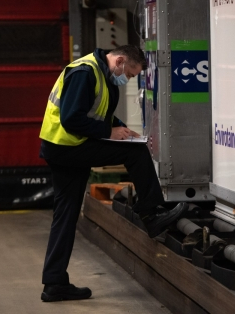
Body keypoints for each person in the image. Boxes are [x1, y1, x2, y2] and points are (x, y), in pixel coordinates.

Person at [38, 45, 187, 302]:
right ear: (119, 61)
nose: (128, 79)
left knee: (66, 214)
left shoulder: (104, 76)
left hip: (64, 148)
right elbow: (71, 119)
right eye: (129, 74)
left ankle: (54, 283)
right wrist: (109, 134)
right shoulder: (85, 73)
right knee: (135, 154)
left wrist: (122, 130)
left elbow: (100, 114)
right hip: (67, 147)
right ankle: (152, 215)